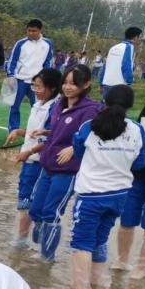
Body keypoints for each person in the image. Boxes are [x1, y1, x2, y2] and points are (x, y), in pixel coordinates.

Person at [62, 85, 145, 289]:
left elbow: (78, 153)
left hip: (91, 194)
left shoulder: (89, 126)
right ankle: (99, 287)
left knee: (82, 243)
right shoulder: (138, 130)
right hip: (119, 195)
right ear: (130, 105)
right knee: (100, 240)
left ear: (105, 101)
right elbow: (139, 164)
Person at [25, 65, 103, 260]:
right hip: (48, 165)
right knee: (36, 210)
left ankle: (46, 260)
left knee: (51, 212)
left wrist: (74, 148)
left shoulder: (91, 110)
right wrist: (46, 132)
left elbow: (95, 137)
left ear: (86, 84)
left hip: (67, 170)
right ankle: (37, 251)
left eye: (73, 84)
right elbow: (62, 131)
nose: (68, 87)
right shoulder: (59, 104)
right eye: (65, 83)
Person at [7, 68, 63, 246]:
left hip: (38, 162)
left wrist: (29, 152)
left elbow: (52, 138)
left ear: (52, 88)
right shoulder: (38, 104)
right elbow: (35, 132)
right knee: (26, 199)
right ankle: (27, 239)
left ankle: (22, 241)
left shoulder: (55, 108)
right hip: (30, 159)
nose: (36, 91)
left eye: (40, 87)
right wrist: (19, 132)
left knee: (28, 200)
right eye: (34, 86)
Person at [114, 76, 145, 278]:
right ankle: (122, 261)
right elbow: (141, 140)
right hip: (138, 175)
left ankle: (140, 268)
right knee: (127, 219)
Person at [4, 19, 55, 133]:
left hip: (37, 82)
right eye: (29, 30)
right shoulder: (20, 43)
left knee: (38, 107)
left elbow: (48, 61)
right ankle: (13, 130)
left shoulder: (48, 43)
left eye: (34, 31)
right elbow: (12, 60)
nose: (31, 33)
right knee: (14, 106)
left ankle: (36, 130)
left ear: (40, 30)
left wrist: (45, 78)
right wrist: (11, 76)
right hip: (19, 80)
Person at [101, 27, 143, 92]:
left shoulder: (113, 47)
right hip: (119, 85)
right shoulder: (129, 47)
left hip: (107, 83)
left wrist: (101, 82)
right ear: (135, 37)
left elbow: (105, 66)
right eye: (140, 37)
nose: (140, 39)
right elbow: (126, 65)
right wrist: (130, 81)